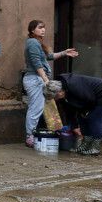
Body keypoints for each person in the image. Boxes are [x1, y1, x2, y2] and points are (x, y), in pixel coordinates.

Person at [21, 20, 78, 148]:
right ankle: (29, 136)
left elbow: (49, 57)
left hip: (38, 79)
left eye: (44, 28)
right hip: (35, 79)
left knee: (42, 107)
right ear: (32, 30)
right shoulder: (32, 42)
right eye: (40, 28)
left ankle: (42, 133)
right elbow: (37, 63)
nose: (43, 30)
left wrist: (64, 53)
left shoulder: (38, 43)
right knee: (36, 109)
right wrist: (46, 80)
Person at [49, 73, 102, 156]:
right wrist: (74, 126)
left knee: (94, 118)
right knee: (82, 118)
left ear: (60, 92)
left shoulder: (74, 86)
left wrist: (86, 112)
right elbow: (69, 111)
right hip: (93, 98)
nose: (55, 99)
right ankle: (86, 144)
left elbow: (89, 99)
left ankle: (97, 146)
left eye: (55, 97)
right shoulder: (64, 93)